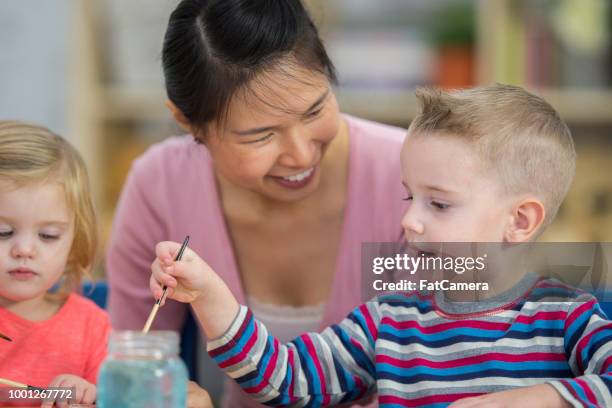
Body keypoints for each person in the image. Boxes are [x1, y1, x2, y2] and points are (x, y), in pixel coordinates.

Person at [150, 85, 612, 407]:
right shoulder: (387, 321)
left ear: (519, 220)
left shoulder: (566, 317)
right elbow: (284, 378)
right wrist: (210, 294)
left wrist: (546, 397)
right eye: (411, 196)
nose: (409, 219)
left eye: (440, 204)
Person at [105, 1, 405, 406]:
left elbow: (475, 358)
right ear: (188, 121)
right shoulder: (159, 186)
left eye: (315, 108)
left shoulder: (421, 184)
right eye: (260, 136)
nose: (299, 155)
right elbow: (130, 363)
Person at [0, 121, 110, 407]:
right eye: (3, 232)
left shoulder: (92, 329)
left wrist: (87, 397)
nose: (24, 249)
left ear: (75, 240)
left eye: (48, 236)